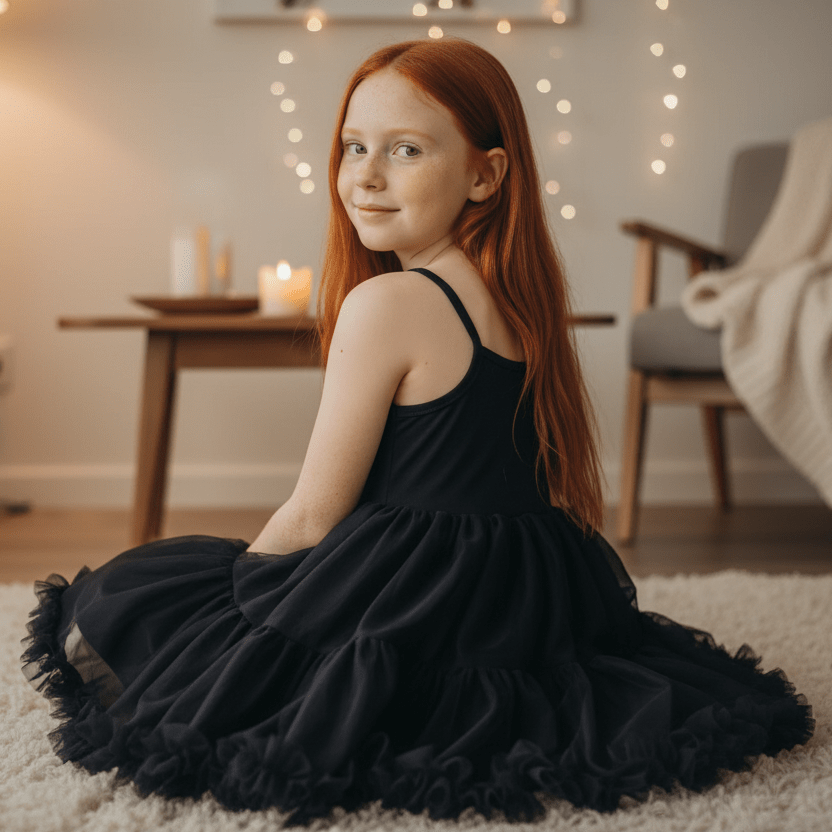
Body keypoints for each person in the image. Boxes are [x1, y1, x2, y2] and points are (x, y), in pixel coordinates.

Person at [22, 38, 812, 826]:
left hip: (419, 581)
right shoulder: (520, 298)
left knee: (148, 597)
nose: (365, 176)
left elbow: (314, 514)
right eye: (354, 147)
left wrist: (237, 620)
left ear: (485, 174)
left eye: (405, 150)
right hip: (526, 584)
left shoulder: (387, 305)